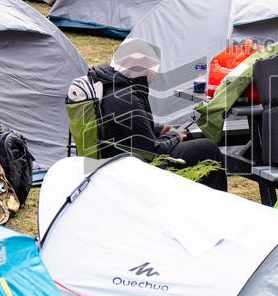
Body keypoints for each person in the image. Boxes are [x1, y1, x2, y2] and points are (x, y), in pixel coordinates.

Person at [88, 38, 228, 192]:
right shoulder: (126, 98)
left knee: (190, 136)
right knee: (208, 148)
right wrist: (174, 136)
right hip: (131, 163)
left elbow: (127, 128)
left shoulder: (109, 83)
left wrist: (157, 130)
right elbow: (152, 151)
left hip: (118, 152)